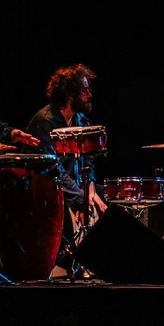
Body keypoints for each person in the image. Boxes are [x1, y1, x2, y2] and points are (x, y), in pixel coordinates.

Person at [26, 63, 108, 229]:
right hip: (49, 190)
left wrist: (90, 189)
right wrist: (80, 199)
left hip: (75, 187)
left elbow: (88, 161)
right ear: (71, 93)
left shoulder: (80, 120)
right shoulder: (44, 121)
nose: (89, 94)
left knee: (111, 197)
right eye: (84, 90)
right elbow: (53, 169)